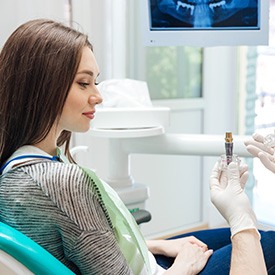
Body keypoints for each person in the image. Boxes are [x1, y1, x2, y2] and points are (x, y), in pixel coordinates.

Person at [0, 19, 274, 275]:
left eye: (95, 82)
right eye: (84, 83)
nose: (98, 96)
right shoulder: (61, 182)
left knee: (249, 237)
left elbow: (85, 246)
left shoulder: (17, 167)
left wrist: (155, 245)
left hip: (142, 259)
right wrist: (188, 263)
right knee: (266, 242)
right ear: (41, 86)